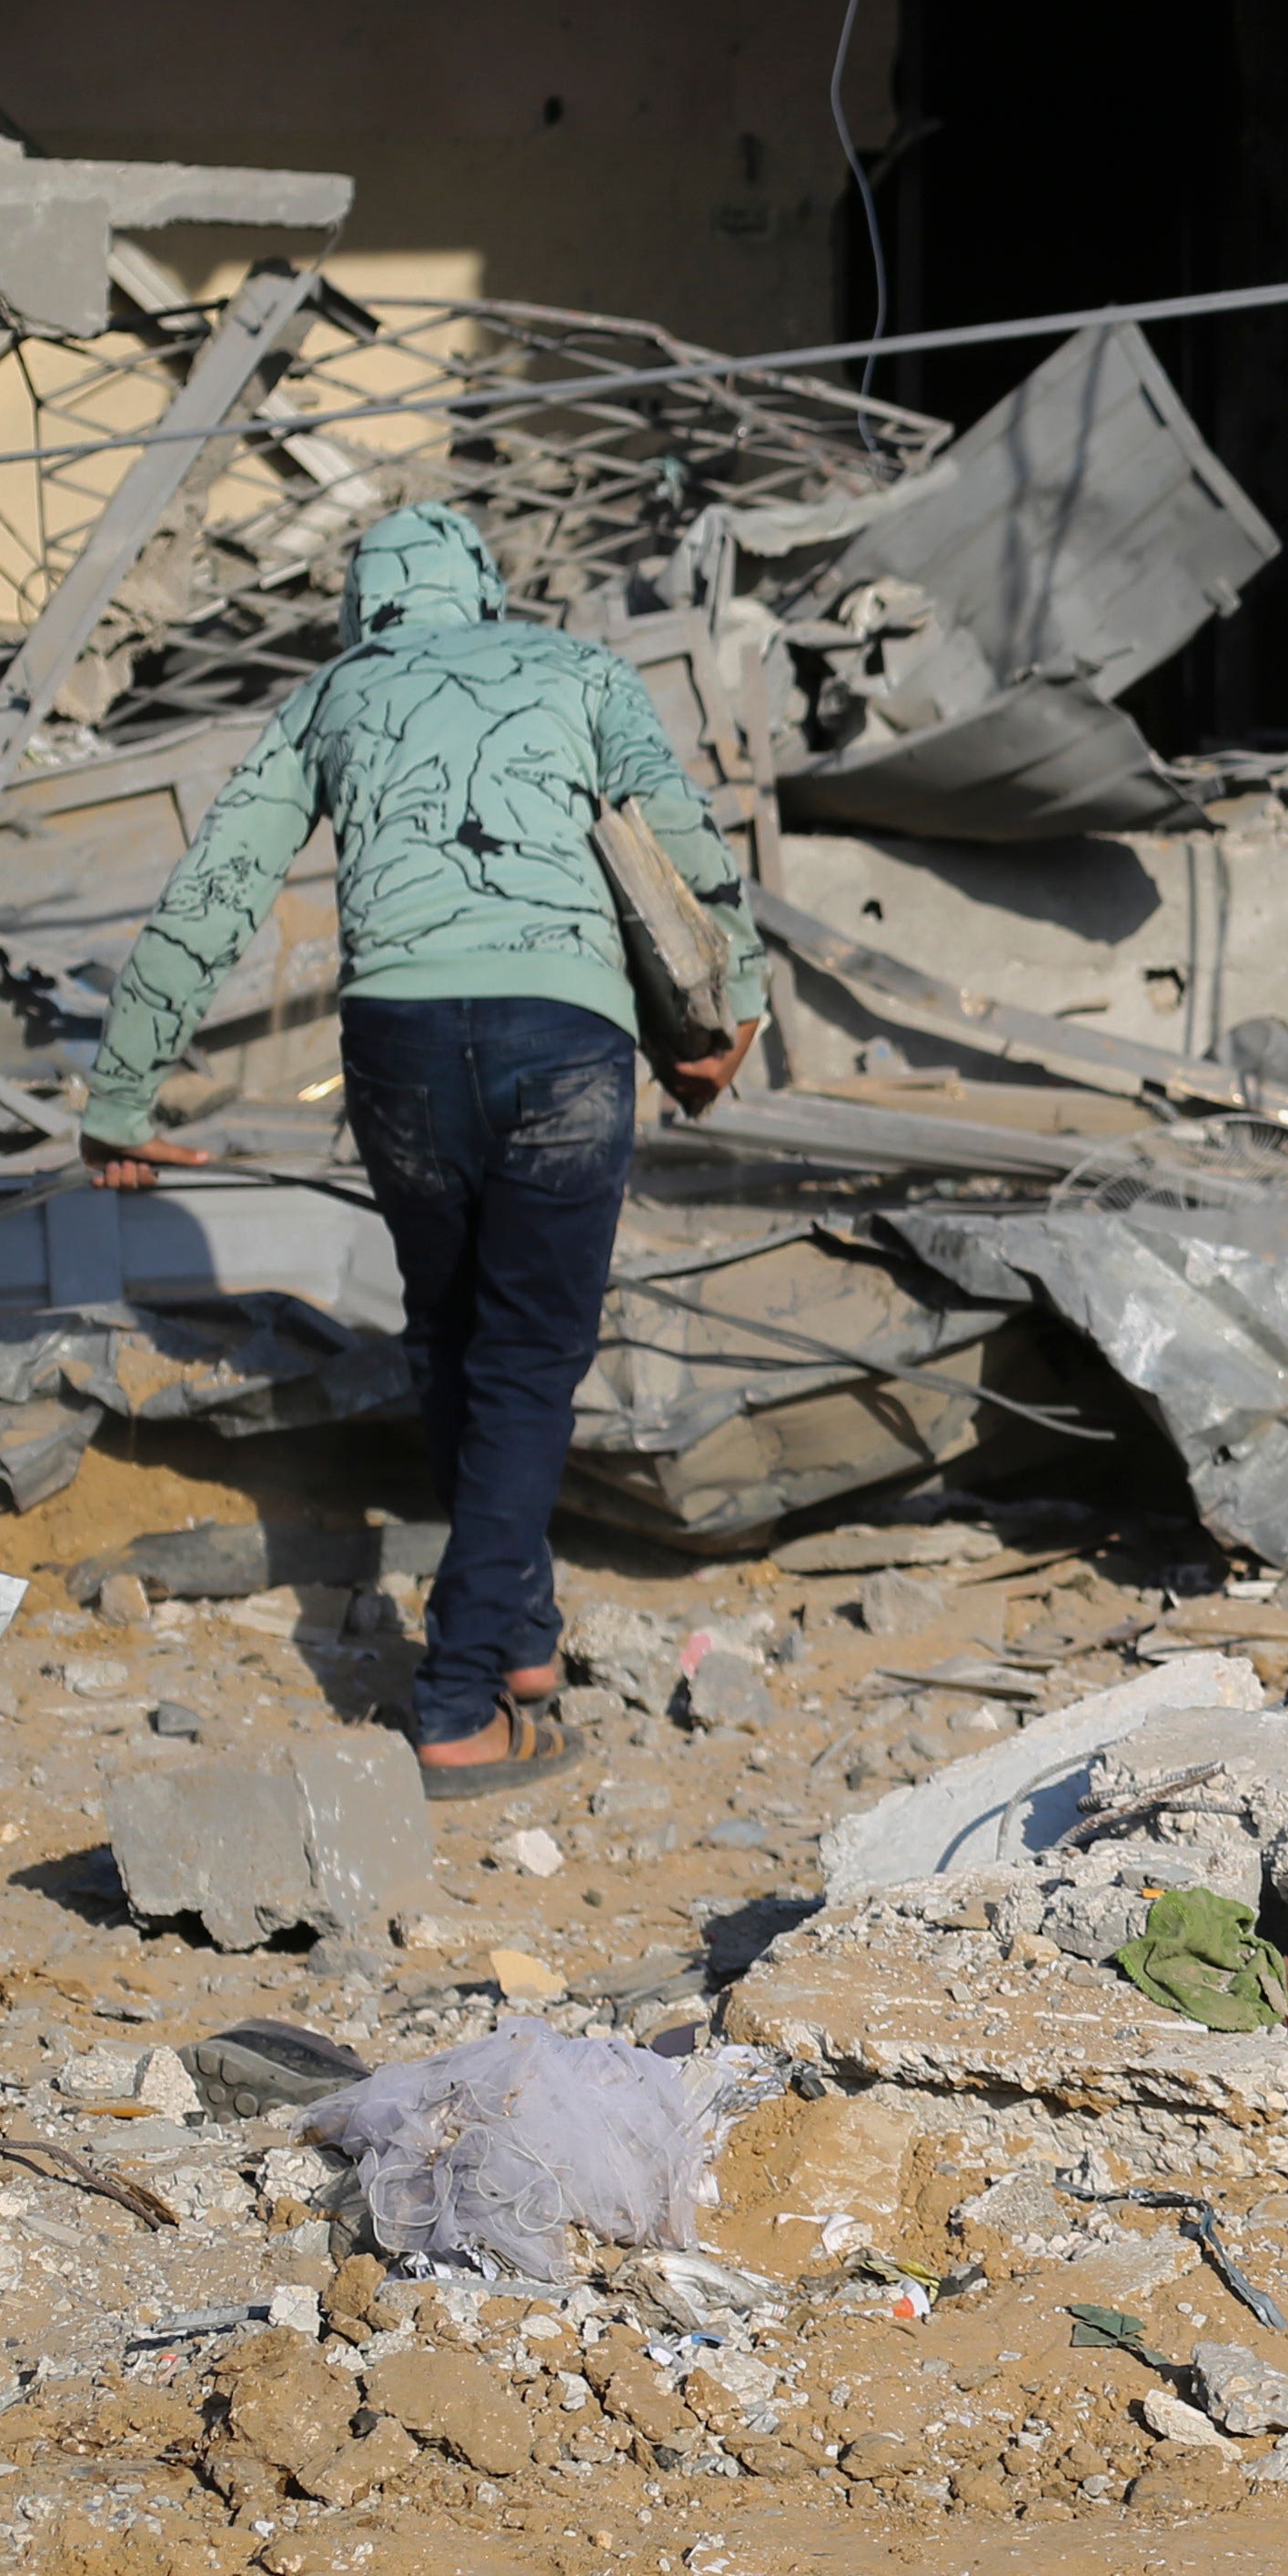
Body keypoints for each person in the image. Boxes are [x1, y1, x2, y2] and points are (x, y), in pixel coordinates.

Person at [76, 503, 761, 1796]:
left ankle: (522, 1640)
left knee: (456, 1341)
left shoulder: (334, 696)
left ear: (360, 609)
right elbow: (684, 844)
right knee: (526, 1363)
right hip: (563, 1041)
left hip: (395, 1048)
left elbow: (219, 883)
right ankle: (454, 1703)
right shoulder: (578, 669)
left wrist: (125, 1096)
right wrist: (734, 1015)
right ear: (484, 588)